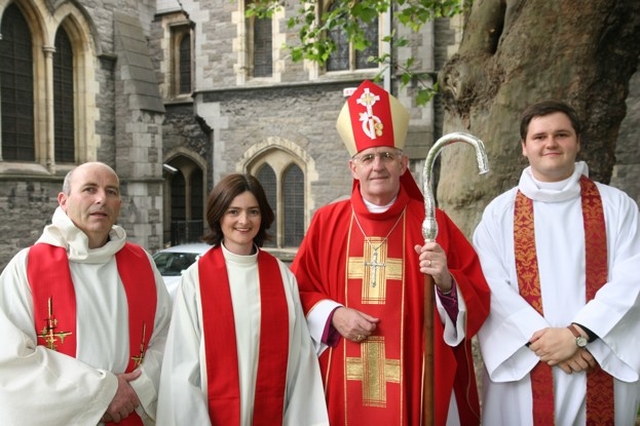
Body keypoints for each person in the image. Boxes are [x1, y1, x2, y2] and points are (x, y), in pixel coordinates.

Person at [291, 80, 491, 426]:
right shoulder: (327, 222)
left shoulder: (432, 222)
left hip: (417, 374)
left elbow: (477, 298)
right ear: (354, 168)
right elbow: (297, 291)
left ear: (403, 164)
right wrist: (333, 314)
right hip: (342, 379)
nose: (377, 166)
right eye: (367, 158)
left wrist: (445, 281)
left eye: (386, 156)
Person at [473, 100, 640, 425]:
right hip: (525, 363)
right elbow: (489, 285)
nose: (551, 143)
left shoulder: (617, 206)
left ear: (577, 141)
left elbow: (632, 278)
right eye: (540, 137)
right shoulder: (500, 212)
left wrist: (580, 334)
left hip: (597, 356)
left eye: (561, 134)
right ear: (524, 147)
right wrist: (546, 339)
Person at [0, 161, 172, 425]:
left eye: (111, 192)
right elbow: (10, 358)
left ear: (120, 204)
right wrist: (103, 393)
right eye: (90, 189)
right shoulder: (26, 266)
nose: (101, 199)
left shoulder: (142, 263)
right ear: (64, 200)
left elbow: (168, 337)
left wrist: (139, 388)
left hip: (132, 413)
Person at [156, 173, 329, 426]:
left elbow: (300, 361)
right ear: (219, 216)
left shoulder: (282, 277)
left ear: (264, 216)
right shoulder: (196, 279)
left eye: (253, 211)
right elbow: (182, 366)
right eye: (233, 211)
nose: (244, 221)